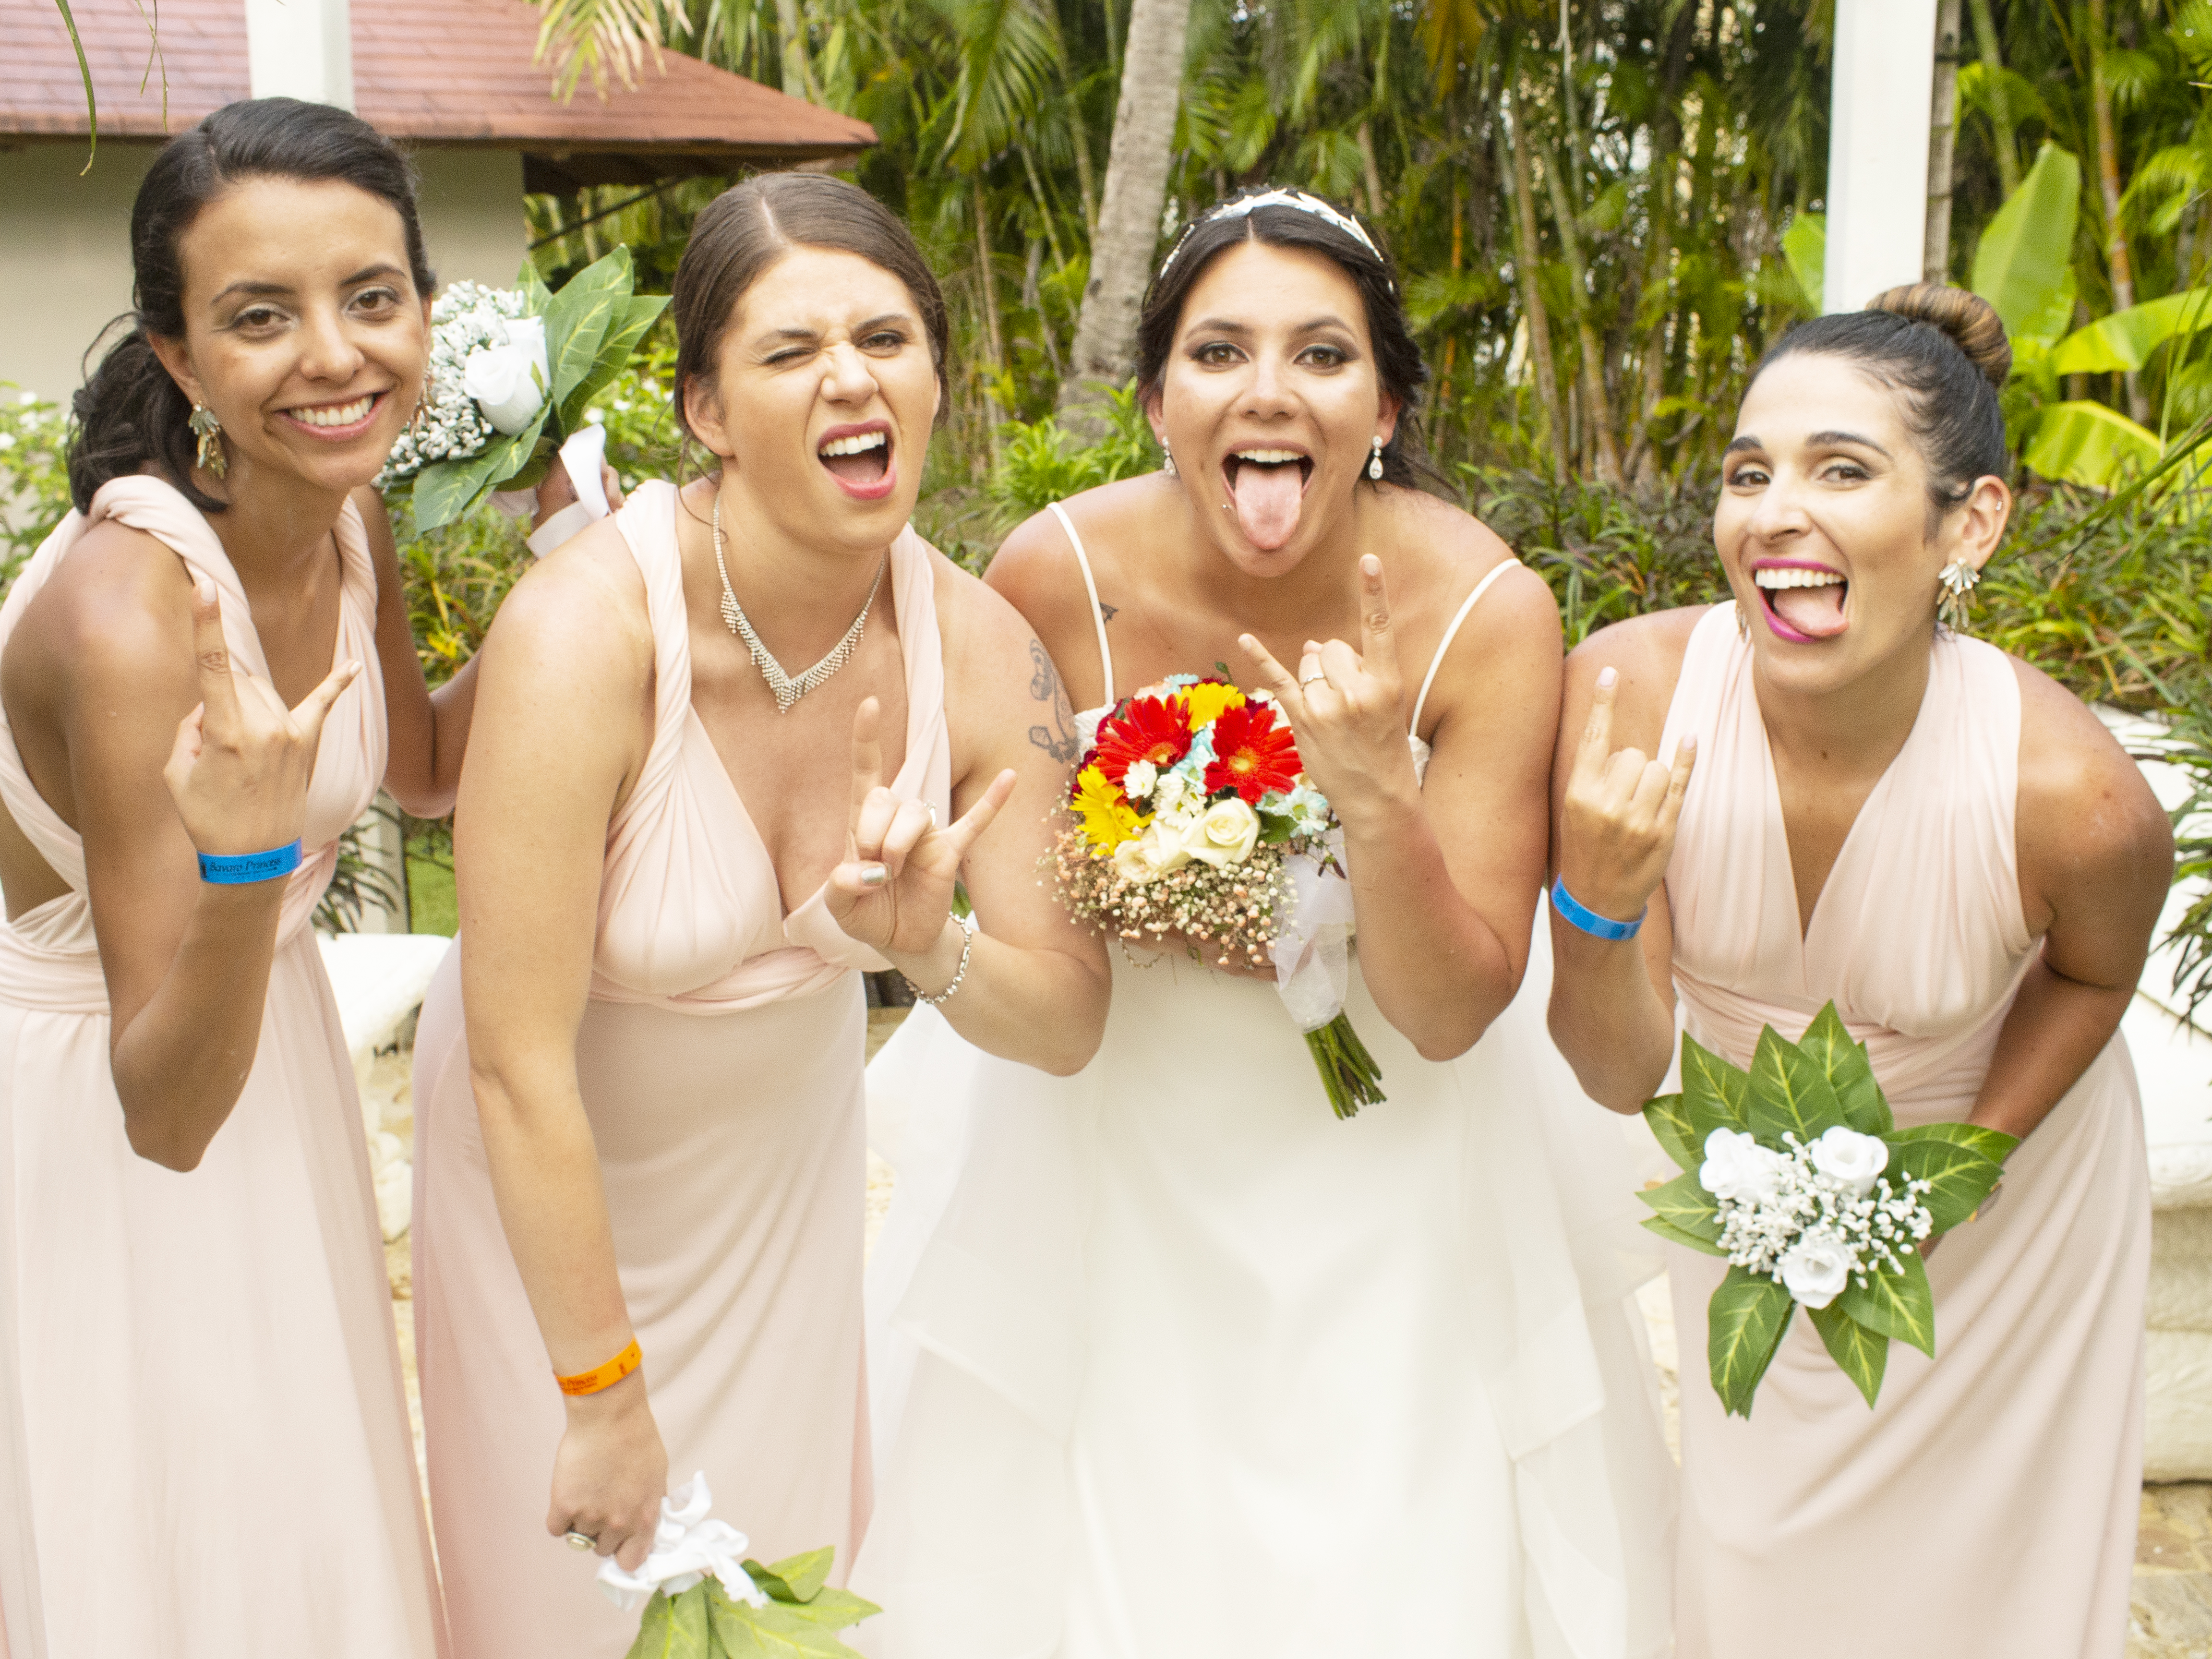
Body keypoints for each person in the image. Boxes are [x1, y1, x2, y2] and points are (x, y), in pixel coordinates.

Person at [854, 188, 1674, 1659]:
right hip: (1113, 1136)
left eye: (1323, 354)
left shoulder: (1487, 610)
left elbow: (1448, 1010)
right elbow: (1043, 928)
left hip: (1396, 1153)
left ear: (1387, 402)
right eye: (1221, 353)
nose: (1271, 391)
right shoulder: (1053, 578)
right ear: (1159, 396)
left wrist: (1372, 799)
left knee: (1391, 1550)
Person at [409, 171, 1110, 1659]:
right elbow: (512, 1059)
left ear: (932, 374)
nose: (851, 376)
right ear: (708, 413)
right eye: (791, 351)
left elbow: (1064, 1017)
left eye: (886, 337)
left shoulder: (983, 649)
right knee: (573, 1617)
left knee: (786, 1596)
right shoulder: (583, 635)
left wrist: (935, 950)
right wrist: (600, 1395)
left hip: (777, 1205)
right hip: (552, 1191)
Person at [1546, 285, 2170, 1658]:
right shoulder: (1630, 703)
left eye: (1843, 471)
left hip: (2003, 1202)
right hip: (1750, 1182)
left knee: (1983, 1574)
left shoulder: (2080, 800)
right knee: (1752, 1547)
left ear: (1972, 522)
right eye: (1748, 474)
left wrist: (1951, 1183)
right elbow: (1616, 1072)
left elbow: (2092, 979)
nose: (1777, 511)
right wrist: (1592, 904)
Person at [0, 97, 481, 1658]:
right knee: (176, 1540)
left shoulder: (341, 518)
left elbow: (418, 769)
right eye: (260, 318)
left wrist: (589, 567)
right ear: (183, 362)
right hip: (109, 1113)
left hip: (257, 1042)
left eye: (373, 296)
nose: (336, 356)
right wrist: (254, 854)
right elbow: (167, 1117)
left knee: (298, 1515)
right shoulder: (131, 623)